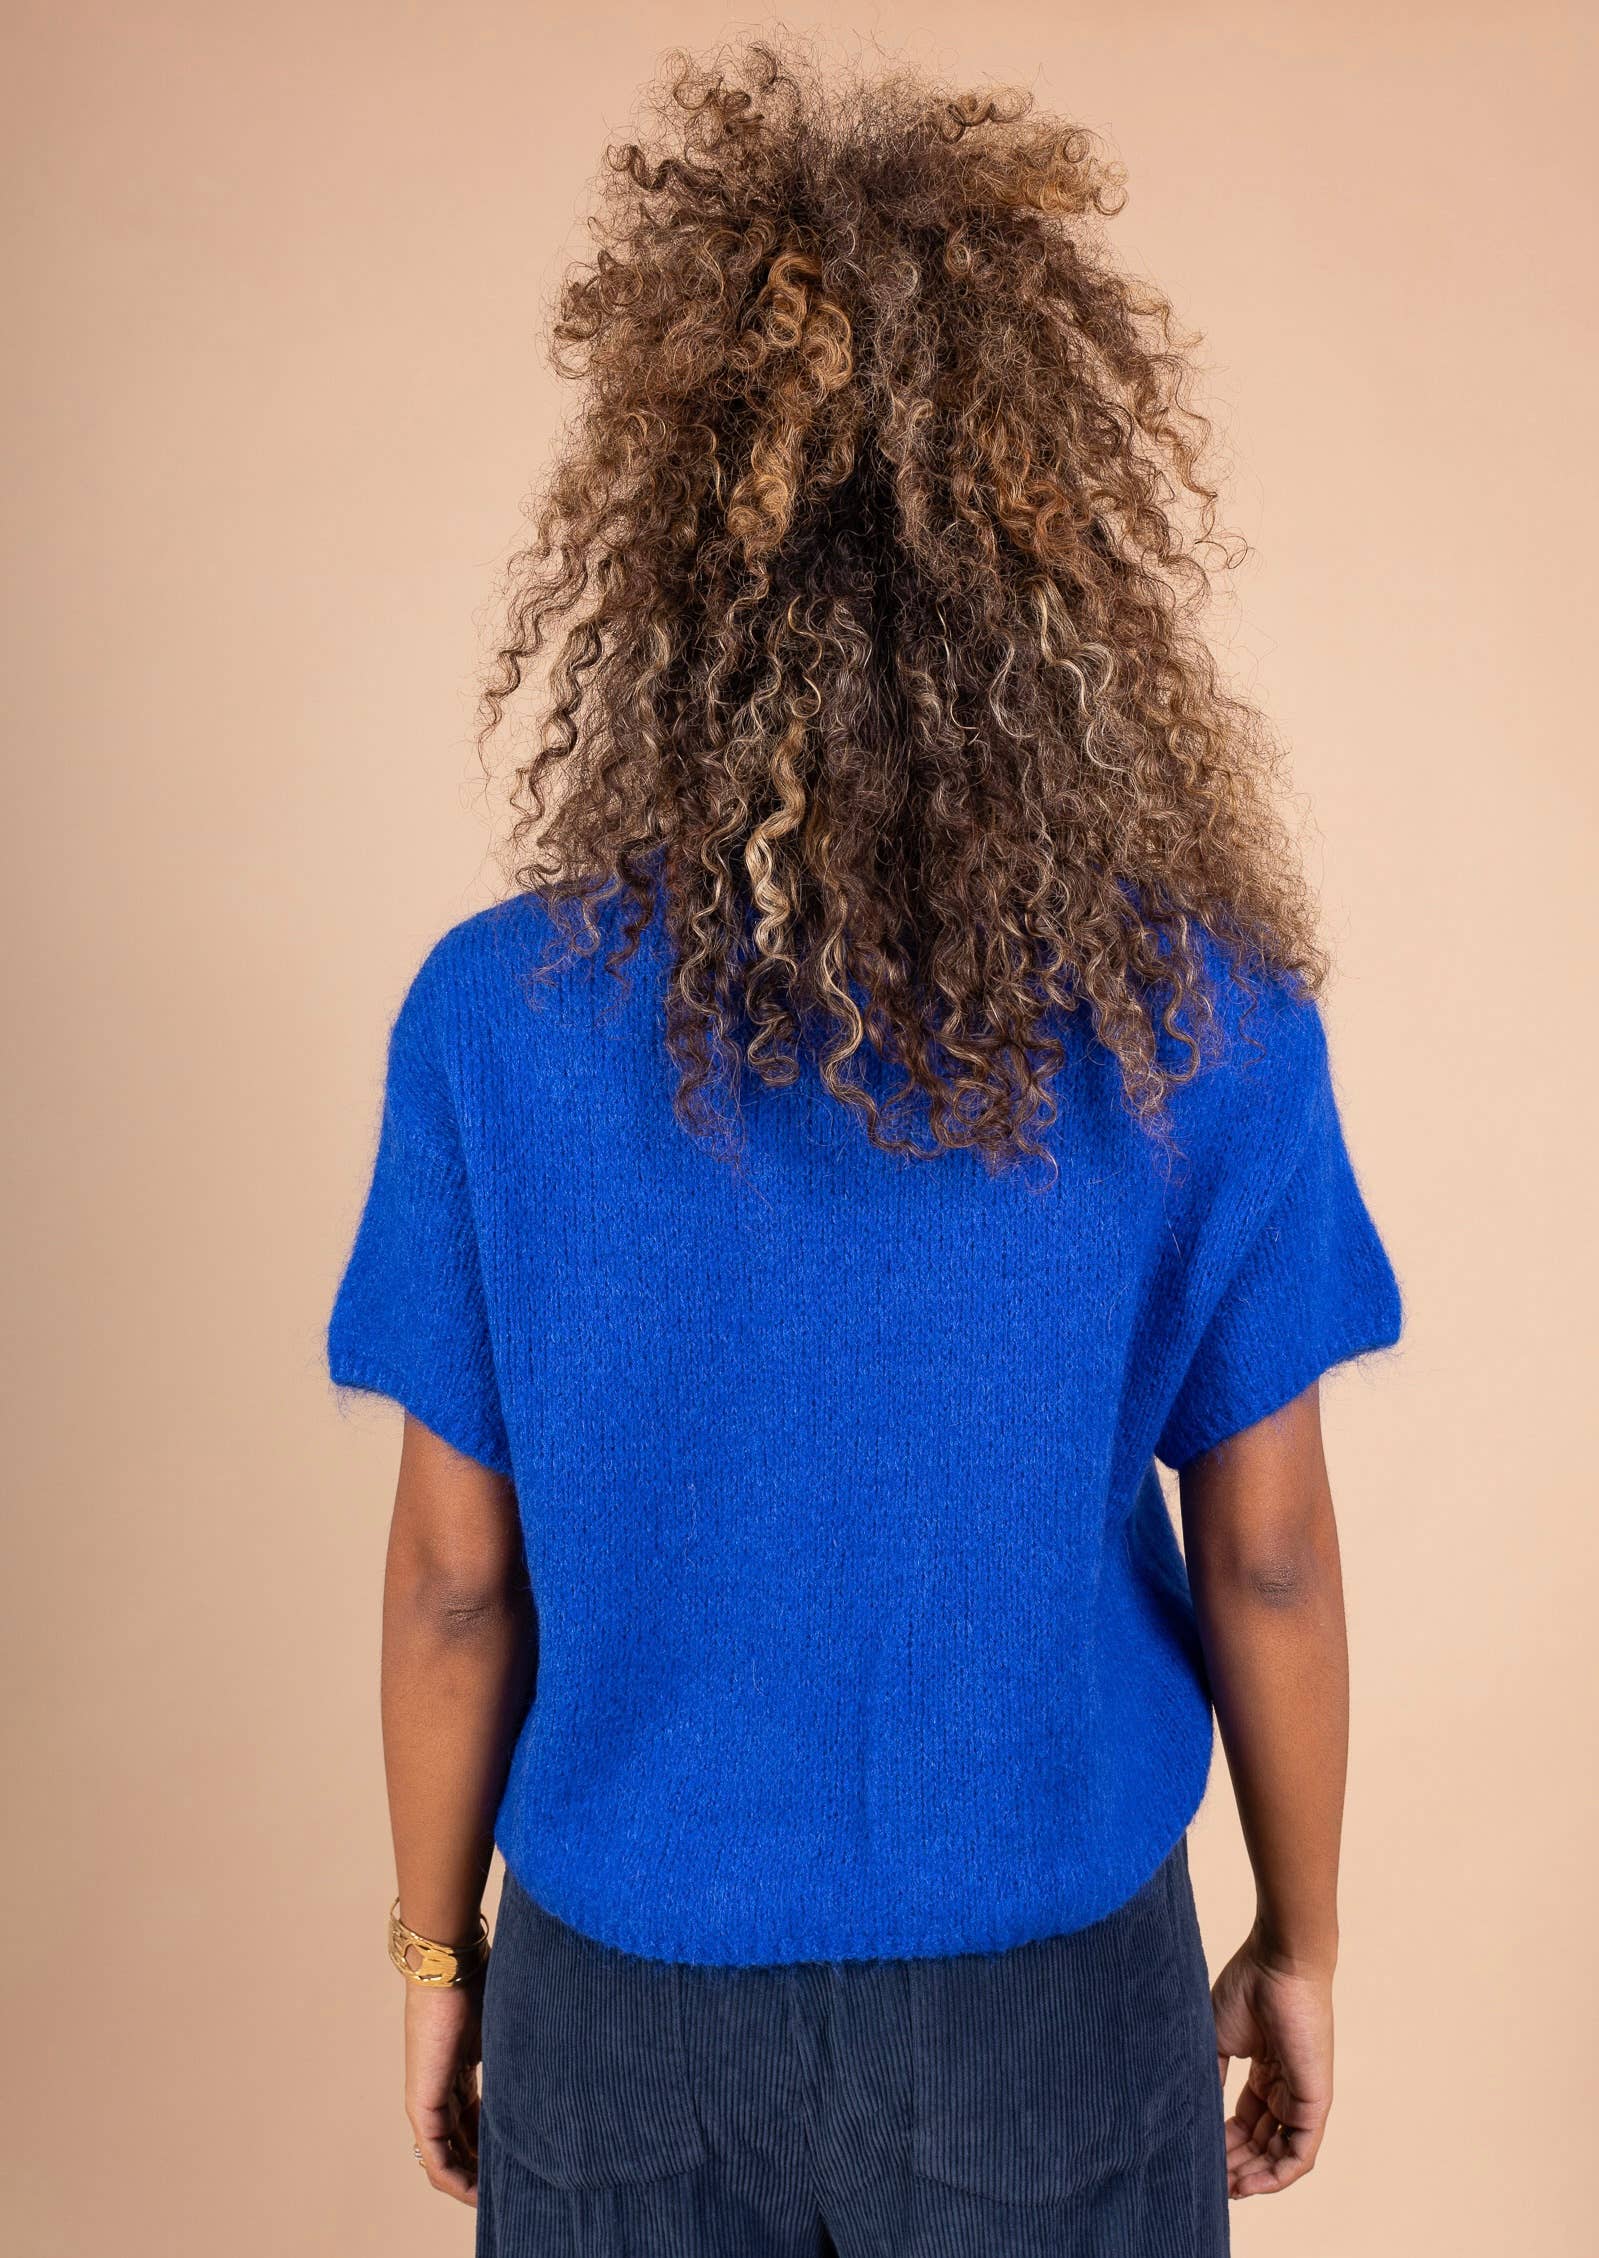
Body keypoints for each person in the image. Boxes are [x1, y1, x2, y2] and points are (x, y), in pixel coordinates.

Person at [325, 39, 1404, 2258]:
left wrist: (437, 1956)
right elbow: (1273, 1558)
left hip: (624, 2008)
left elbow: (450, 1579)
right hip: (1052, 2001)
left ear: (658, 558)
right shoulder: (1200, 1023)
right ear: (1064, 556)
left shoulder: (493, 1021)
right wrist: (1298, 1939)